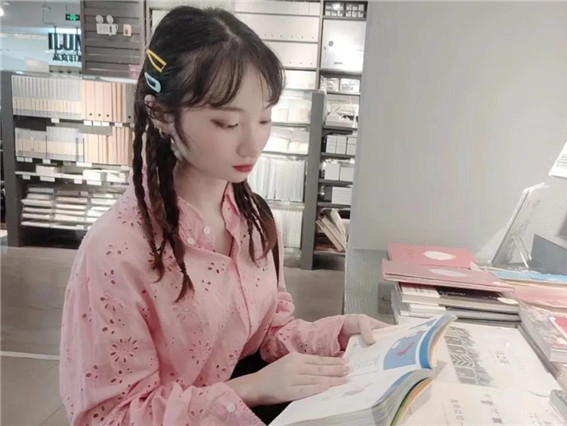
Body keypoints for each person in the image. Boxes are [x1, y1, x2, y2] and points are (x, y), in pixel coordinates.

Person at [59, 7, 386, 425]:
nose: (253, 145)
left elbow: (268, 333)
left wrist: (340, 335)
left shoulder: (253, 220)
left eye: (264, 118)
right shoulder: (116, 252)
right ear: (160, 113)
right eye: (227, 123)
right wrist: (250, 388)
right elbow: (109, 417)